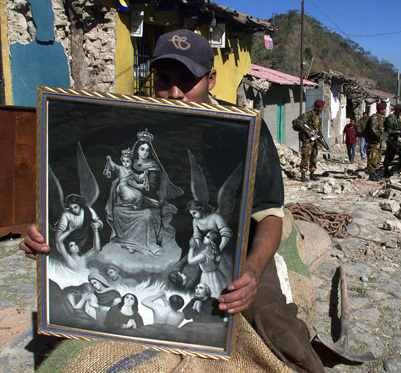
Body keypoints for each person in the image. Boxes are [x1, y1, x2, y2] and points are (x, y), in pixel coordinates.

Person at [20, 28, 324, 372]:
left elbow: (268, 213)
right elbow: (95, 194)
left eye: (188, 80)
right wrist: (45, 235)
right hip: (141, 235)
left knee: (272, 319)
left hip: (226, 247)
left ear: (210, 79)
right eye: (164, 80)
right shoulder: (124, 120)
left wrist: (252, 271)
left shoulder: (242, 129)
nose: (175, 92)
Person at [105, 129, 183, 256]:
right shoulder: (130, 163)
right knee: (117, 210)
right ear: (137, 150)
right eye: (142, 149)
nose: (145, 152)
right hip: (129, 198)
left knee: (146, 215)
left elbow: (151, 187)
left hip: (150, 199)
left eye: (147, 150)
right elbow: (119, 177)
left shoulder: (153, 166)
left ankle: (149, 244)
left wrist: (134, 184)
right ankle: (128, 242)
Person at [187, 230, 229, 298]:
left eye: (207, 237)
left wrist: (191, 248)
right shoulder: (217, 251)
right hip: (218, 275)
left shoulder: (204, 254)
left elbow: (190, 261)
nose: (204, 237)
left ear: (212, 241)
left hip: (207, 277)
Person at [294, 99, 326, 182]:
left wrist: (320, 140)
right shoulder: (307, 115)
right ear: (316, 107)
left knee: (314, 158)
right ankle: (303, 174)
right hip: (307, 141)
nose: (322, 109)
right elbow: (298, 122)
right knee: (305, 157)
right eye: (321, 107)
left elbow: (319, 129)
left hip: (315, 141)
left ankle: (312, 173)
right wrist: (307, 131)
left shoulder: (319, 117)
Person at [383, 103, 401, 177]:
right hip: (391, 139)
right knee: (390, 155)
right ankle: (386, 171)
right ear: (396, 110)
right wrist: (398, 131)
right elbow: (389, 131)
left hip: (395, 139)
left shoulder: (397, 118)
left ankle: (398, 167)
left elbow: (400, 128)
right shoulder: (391, 118)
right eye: (400, 110)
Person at [365, 102, 387, 181]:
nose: (385, 110)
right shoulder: (374, 118)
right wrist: (380, 136)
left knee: (378, 158)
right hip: (373, 142)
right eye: (384, 109)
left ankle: (374, 173)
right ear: (380, 110)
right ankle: (371, 174)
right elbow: (373, 129)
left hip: (378, 143)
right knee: (372, 158)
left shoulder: (381, 118)